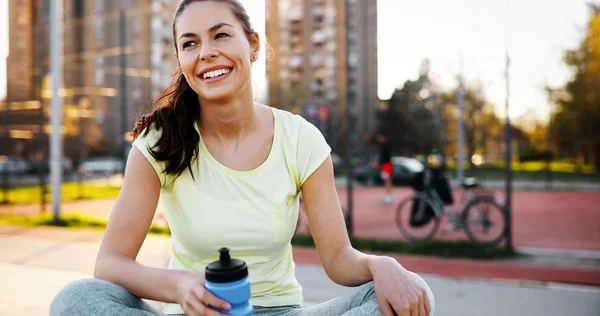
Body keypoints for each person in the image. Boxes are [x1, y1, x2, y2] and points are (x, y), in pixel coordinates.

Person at [50, 1, 435, 315]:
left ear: (252, 45)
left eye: (220, 35)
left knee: (412, 293)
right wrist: (182, 285)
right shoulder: (159, 142)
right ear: (181, 60)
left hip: (281, 312)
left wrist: (380, 265)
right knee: (75, 299)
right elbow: (111, 264)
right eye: (190, 43)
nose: (207, 52)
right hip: (193, 312)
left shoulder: (301, 139)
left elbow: (338, 259)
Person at [375, 101, 394, 204]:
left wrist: (380, 161)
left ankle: (388, 195)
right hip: (385, 160)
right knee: (386, 179)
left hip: (386, 160)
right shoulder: (382, 121)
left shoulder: (386, 122)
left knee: (387, 179)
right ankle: (388, 194)